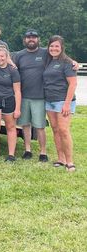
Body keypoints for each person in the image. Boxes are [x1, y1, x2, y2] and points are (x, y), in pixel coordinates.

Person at [14, 29, 50, 162]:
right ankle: (27, 150)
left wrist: (72, 62)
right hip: (23, 96)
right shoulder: (19, 55)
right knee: (25, 125)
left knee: (40, 126)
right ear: (24, 40)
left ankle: (43, 152)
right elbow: (11, 68)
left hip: (39, 96)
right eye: (28, 37)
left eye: (34, 37)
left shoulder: (45, 53)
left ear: (38, 39)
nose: (31, 39)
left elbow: (61, 56)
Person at [43, 35, 77, 172]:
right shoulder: (48, 61)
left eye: (57, 46)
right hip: (49, 101)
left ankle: (70, 162)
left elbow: (73, 84)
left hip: (63, 101)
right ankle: (61, 159)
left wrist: (67, 104)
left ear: (62, 47)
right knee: (55, 129)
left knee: (63, 130)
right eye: (51, 46)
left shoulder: (67, 62)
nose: (54, 48)